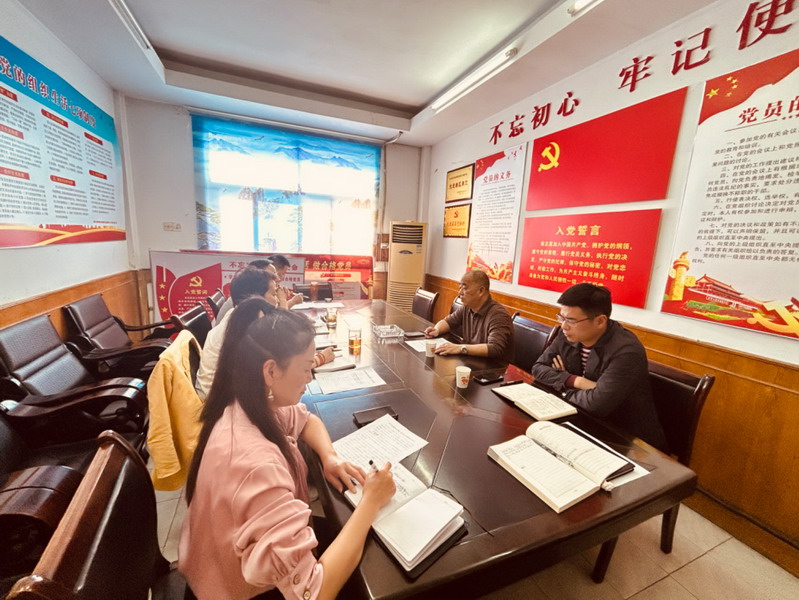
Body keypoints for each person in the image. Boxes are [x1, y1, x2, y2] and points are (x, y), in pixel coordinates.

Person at [180, 298, 396, 600]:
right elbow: (314, 593)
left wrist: (329, 457)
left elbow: (306, 420)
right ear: (270, 371)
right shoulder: (255, 464)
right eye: (306, 368)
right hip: (240, 590)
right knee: (380, 569)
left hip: (223, 568)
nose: (310, 378)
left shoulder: (244, 404)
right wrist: (371, 501)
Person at [531, 283, 667, 449]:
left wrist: (562, 389)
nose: (564, 326)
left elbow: (597, 405)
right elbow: (538, 368)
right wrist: (578, 381)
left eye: (571, 320)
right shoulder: (567, 334)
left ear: (600, 321)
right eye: (561, 318)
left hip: (628, 440)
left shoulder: (626, 350)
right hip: (583, 422)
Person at [196, 267, 333, 400]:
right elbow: (277, 372)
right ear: (255, 298)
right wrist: (318, 359)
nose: (277, 300)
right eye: (273, 294)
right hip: (225, 404)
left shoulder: (237, 316)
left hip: (222, 398)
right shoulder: (248, 325)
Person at [423, 269, 513, 364]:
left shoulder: (498, 314)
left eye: (465, 288)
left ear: (481, 291)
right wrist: (437, 329)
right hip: (472, 361)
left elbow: (494, 348)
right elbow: (448, 322)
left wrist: (460, 348)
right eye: (460, 288)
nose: (460, 293)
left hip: (494, 368)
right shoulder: (467, 307)